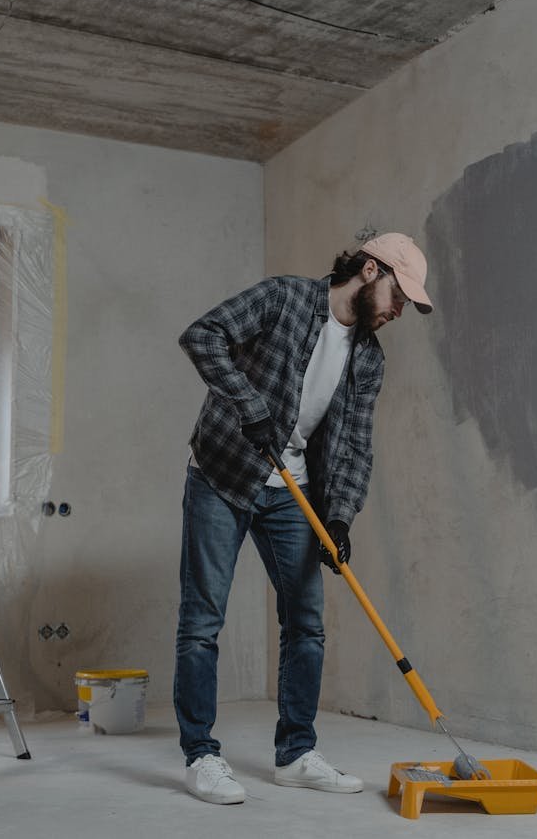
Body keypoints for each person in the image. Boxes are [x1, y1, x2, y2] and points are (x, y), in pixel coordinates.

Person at [173, 232, 433, 805]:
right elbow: (203, 335)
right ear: (370, 270)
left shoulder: (369, 358)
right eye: (396, 295)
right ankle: (202, 757)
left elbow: (354, 447)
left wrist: (338, 518)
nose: (396, 311)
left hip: (292, 491)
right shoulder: (285, 299)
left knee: (306, 623)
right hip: (221, 473)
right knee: (202, 623)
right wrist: (250, 407)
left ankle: (295, 753)